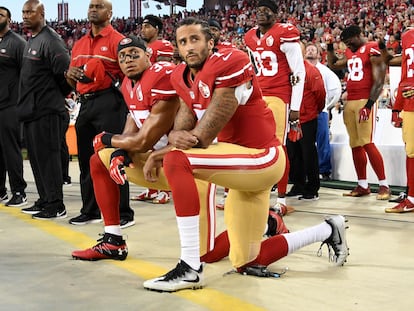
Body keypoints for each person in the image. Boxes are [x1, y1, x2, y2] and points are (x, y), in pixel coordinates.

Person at [141, 17, 349, 293]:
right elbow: (183, 126)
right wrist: (175, 141)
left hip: (262, 157)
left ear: (211, 42)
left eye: (195, 39)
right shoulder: (181, 76)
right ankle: (326, 229)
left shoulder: (231, 60)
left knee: (176, 160)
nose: (189, 47)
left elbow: (199, 137)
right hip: (240, 170)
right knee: (245, 260)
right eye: (183, 41)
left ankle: (189, 269)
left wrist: (169, 147)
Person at [71, 35, 217, 260]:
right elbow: (132, 130)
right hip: (163, 159)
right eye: (122, 57)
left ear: (148, 56)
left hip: (196, 161)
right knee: (99, 159)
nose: (128, 60)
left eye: (134, 54)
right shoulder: (129, 84)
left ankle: (264, 223)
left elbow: (143, 141)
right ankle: (113, 240)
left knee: (207, 254)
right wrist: (120, 151)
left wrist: (106, 138)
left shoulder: (160, 77)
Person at [64, 0, 134, 227]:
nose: (93, 9)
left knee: (113, 157)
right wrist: (71, 75)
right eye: (91, 6)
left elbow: (130, 75)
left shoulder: (117, 41)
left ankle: (123, 212)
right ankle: (90, 210)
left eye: (99, 6)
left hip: (110, 103)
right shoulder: (79, 43)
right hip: (86, 103)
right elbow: (71, 78)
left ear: (110, 13)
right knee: (86, 160)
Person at [244, 0, 305, 209]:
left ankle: (281, 200)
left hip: (280, 95)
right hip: (260, 94)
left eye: (266, 11)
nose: (261, 14)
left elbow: (298, 72)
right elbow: (254, 68)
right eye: (258, 10)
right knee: (255, 143)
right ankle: (257, 190)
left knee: (279, 147)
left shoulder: (284, 34)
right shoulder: (250, 37)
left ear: (275, 14)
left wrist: (295, 107)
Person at [18, 0, 71, 219]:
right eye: (23, 12)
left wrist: (53, 97)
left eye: (30, 11)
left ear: (42, 13)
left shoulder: (51, 40)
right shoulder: (33, 40)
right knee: (37, 159)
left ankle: (56, 204)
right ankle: (44, 199)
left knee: (49, 159)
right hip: (32, 112)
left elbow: (66, 75)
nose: (25, 16)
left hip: (47, 110)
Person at [326, 25, 391, 200]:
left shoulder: (371, 48)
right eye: (346, 43)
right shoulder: (349, 52)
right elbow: (332, 64)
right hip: (350, 101)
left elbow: (379, 79)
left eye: (350, 42)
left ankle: (384, 185)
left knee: (367, 142)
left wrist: (369, 105)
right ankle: (363, 184)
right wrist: (330, 47)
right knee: (355, 144)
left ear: (359, 35)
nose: (349, 46)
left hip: (364, 100)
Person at [130, 14, 174, 204]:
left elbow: (166, 68)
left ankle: (167, 189)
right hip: (143, 95)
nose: (143, 29)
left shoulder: (163, 45)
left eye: (148, 26)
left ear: (156, 29)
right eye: (142, 26)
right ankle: (152, 188)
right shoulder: (140, 47)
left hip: (159, 95)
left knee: (161, 142)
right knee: (147, 143)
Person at [286, 51, 326, 201]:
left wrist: (315, 111)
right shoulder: (287, 70)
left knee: (308, 153)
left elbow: (320, 94)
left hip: (307, 118)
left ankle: (312, 187)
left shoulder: (310, 71)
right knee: (293, 153)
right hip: (292, 119)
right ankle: (298, 184)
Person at [384, 27, 414, 213]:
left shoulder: (409, 35)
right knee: (411, 151)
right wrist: (398, 106)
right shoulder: (408, 36)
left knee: (412, 152)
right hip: (409, 103)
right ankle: (411, 195)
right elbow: (406, 76)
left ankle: (411, 198)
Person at [0, 6, 27, 207]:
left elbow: (27, 74)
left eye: (0, 14)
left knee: (11, 150)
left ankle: (19, 191)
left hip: (10, 105)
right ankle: (1, 191)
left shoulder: (17, 43)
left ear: (9, 19)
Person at [305, 43, 342, 182]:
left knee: (322, 140)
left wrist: (327, 106)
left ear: (319, 54)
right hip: (304, 112)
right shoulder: (299, 70)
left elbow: (335, 90)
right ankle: (306, 170)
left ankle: (324, 170)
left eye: (313, 49)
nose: (310, 51)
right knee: (305, 143)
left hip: (320, 111)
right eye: (308, 49)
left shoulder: (325, 71)